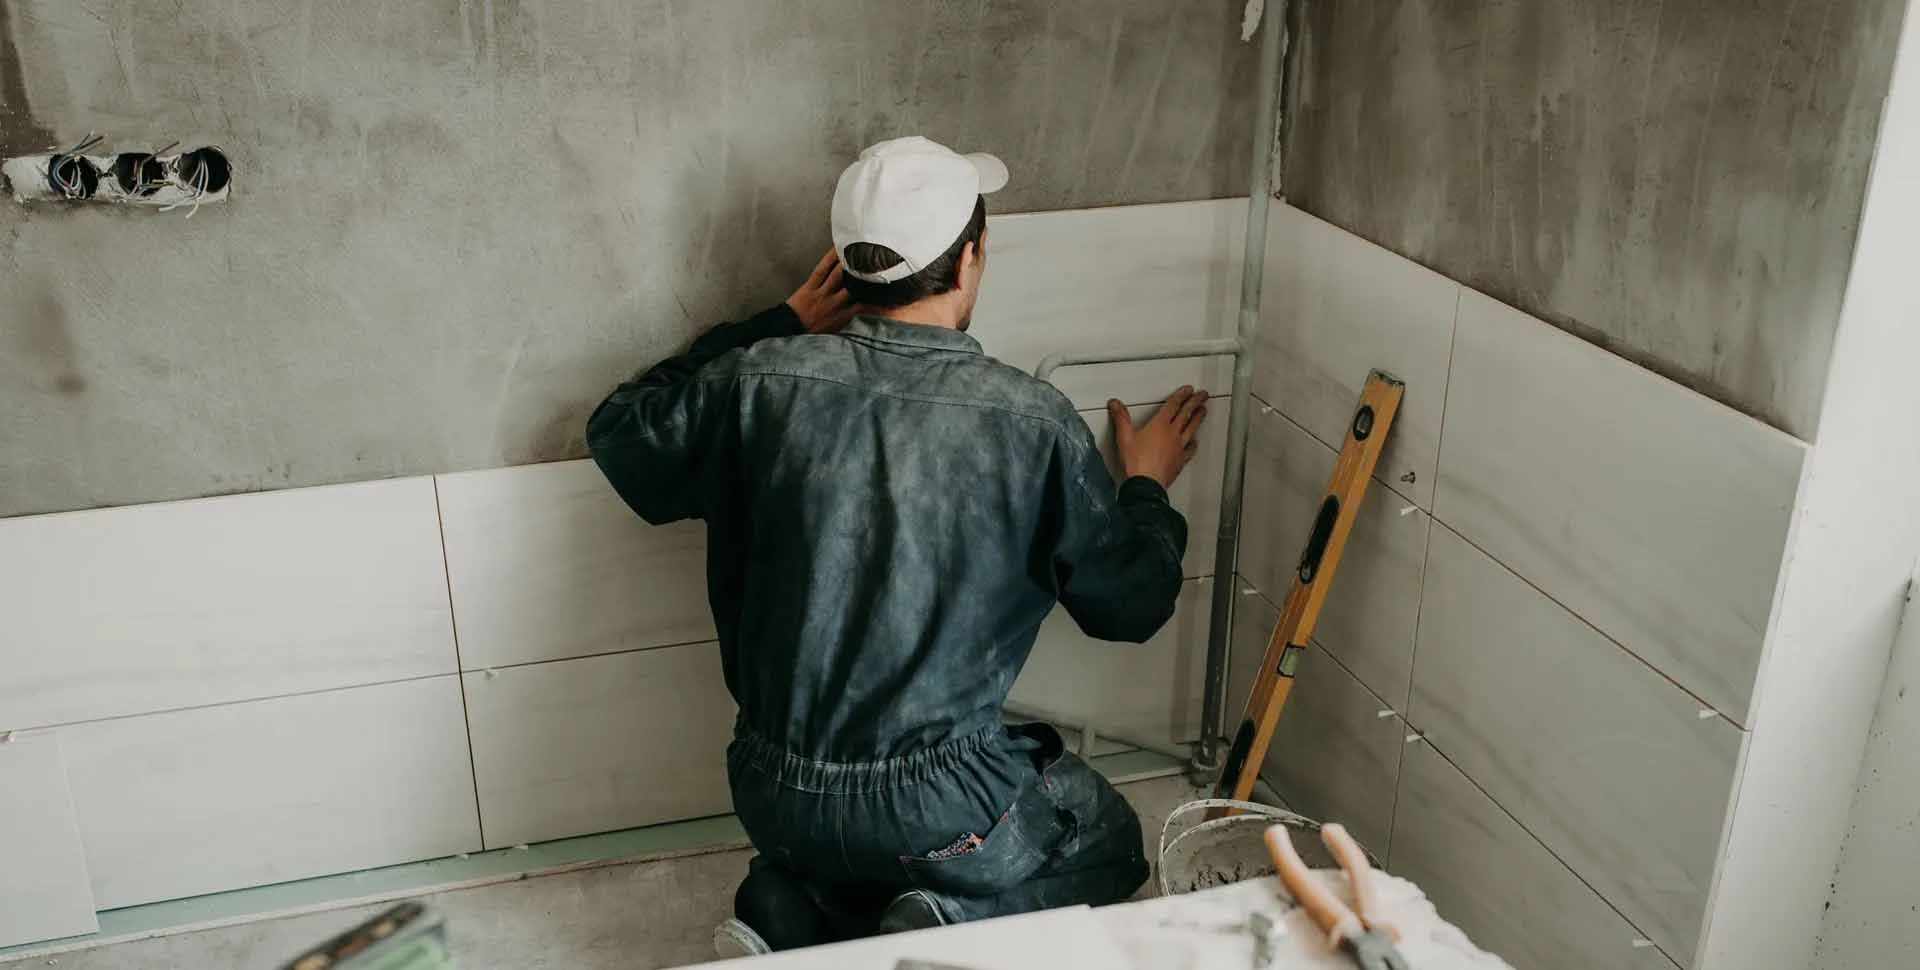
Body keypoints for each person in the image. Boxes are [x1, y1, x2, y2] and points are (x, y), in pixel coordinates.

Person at [585, 136, 1209, 956]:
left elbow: (621, 434)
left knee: (859, 848)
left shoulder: (756, 383)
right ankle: (947, 922)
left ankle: (785, 909)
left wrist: (778, 322)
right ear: (974, 256)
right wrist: (1145, 489)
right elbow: (1130, 606)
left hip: (773, 789)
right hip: (938, 809)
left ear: (848, 266)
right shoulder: (1028, 421)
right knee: (1105, 840)